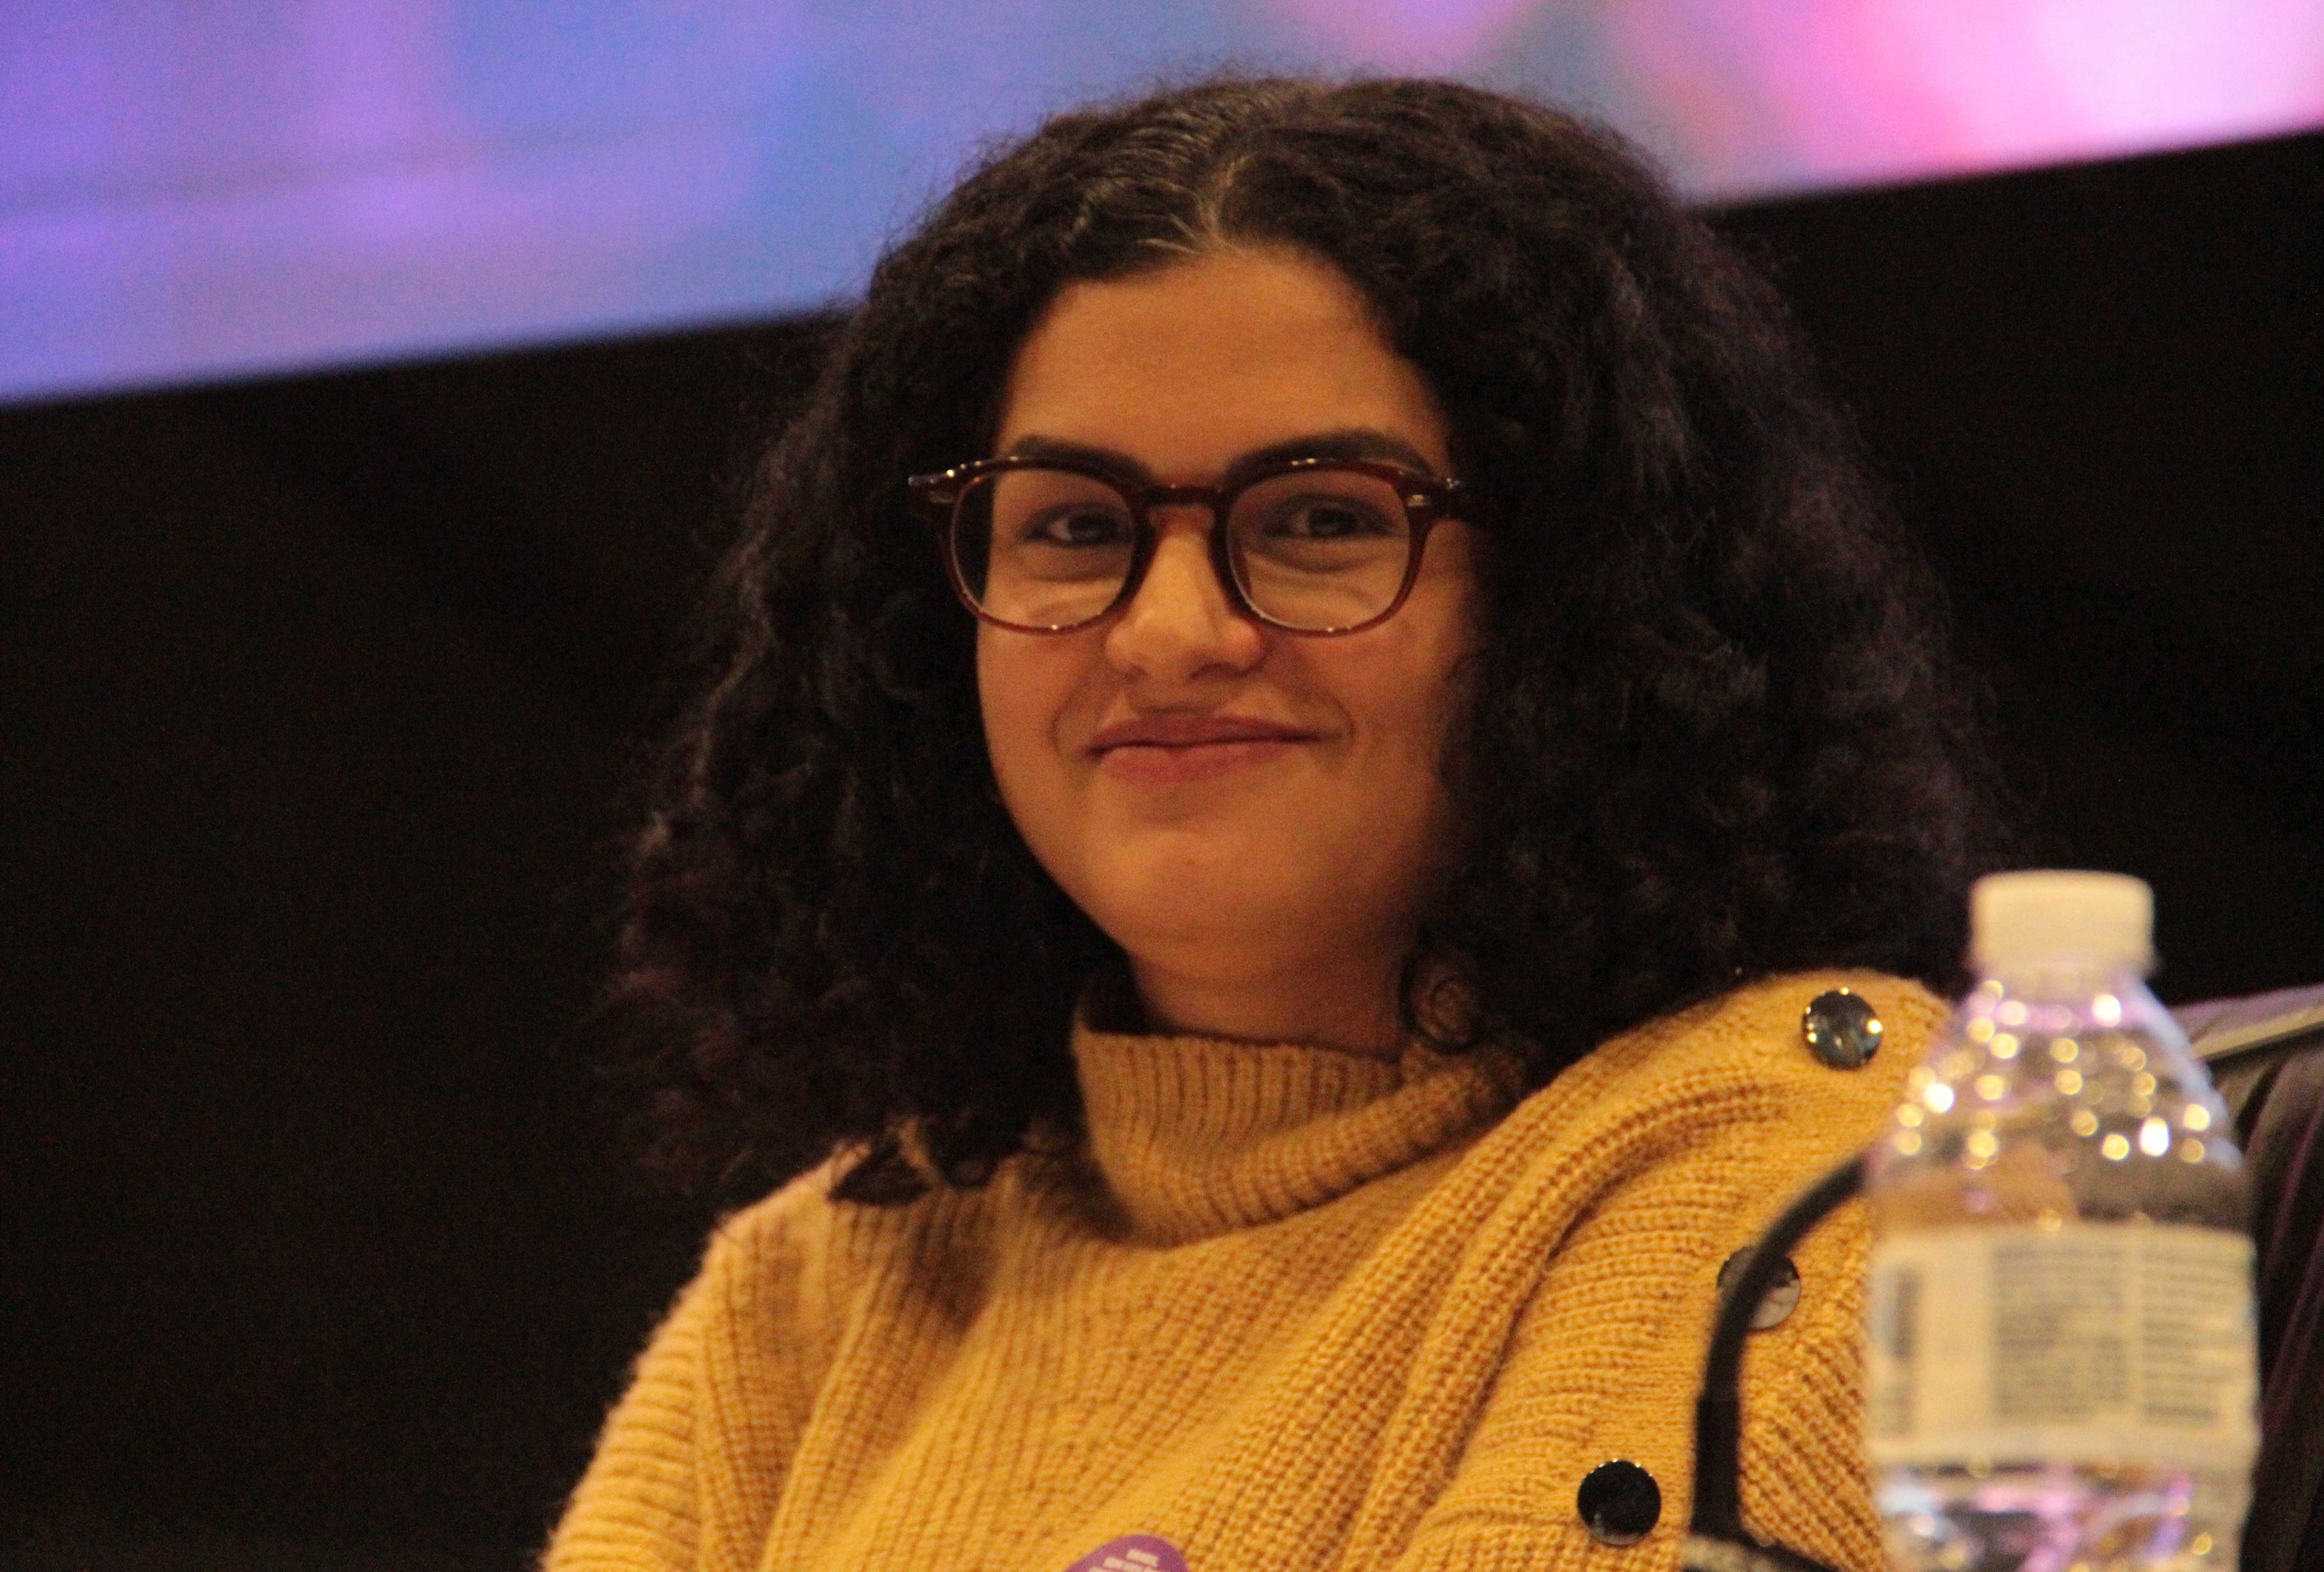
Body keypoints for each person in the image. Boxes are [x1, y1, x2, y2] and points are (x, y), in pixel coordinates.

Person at [544, 77, 2000, 1572]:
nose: (1170, 635)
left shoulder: (1842, 1179)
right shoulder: (818, 1288)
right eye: (1074, 527)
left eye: (1320, 520)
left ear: (1583, 595)